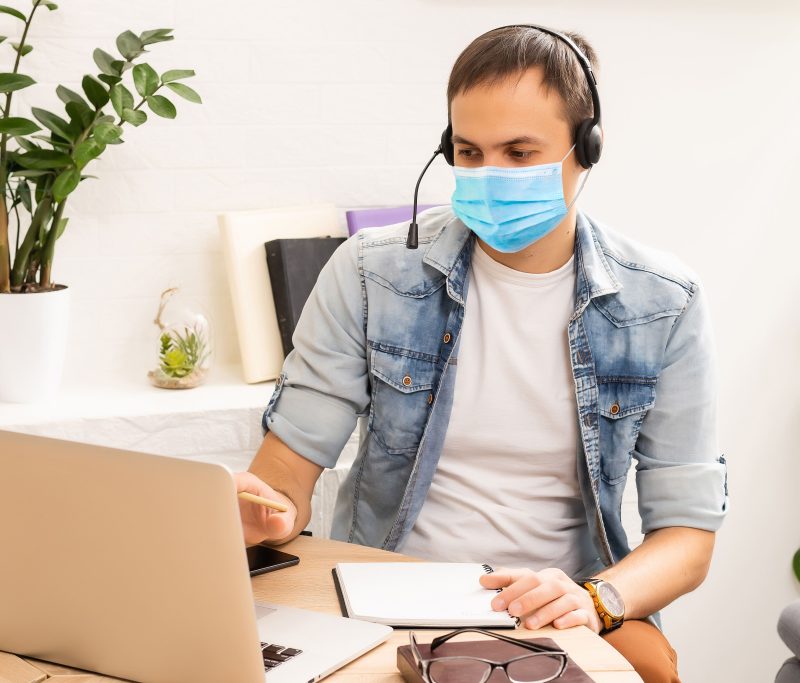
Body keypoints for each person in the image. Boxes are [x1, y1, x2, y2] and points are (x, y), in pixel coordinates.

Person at [235, 24, 727, 683]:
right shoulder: (369, 272)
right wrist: (256, 509)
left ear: (588, 148)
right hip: (380, 605)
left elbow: (688, 539)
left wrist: (595, 597)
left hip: (557, 614)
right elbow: (284, 481)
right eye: (469, 151)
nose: (490, 175)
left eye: (521, 153)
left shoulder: (663, 302)